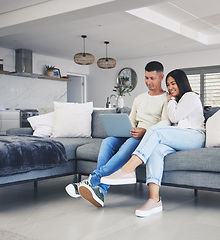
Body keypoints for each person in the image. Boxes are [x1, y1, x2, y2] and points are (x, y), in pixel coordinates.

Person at [101, 69, 205, 217]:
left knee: (155, 131)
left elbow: (175, 117)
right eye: (168, 84)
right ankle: (154, 200)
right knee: (156, 150)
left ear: (182, 82)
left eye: (173, 83)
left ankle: (128, 170)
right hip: (181, 137)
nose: (170, 88)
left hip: (195, 136)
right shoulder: (179, 100)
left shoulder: (190, 96)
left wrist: (171, 100)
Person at [65, 61, 170, 207]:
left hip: (148, 136)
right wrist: (129, 128)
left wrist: (144, 131)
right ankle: (99, 191)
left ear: (161, 77)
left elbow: (164, 123)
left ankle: (94, 182)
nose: (148, 82)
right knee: (107, 141)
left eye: (152, 78)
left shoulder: (167, 98)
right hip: (133, 132)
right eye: (146, 78)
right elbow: (132, 119)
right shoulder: (139, 98)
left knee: (128, 144)